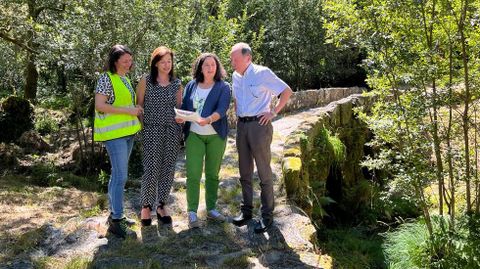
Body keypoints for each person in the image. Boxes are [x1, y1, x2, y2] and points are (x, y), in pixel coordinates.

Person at [229, 42, 293, 233]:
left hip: (260, 126)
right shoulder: (235, 76)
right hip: (242, 126)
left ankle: (266, 216)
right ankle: (246, 211)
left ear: (247, 58)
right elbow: (237, 99)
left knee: (264, 172)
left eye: (235, 59)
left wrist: (273, 112)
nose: (232, 62)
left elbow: (286, 91)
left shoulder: (262, 73)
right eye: (232, 58)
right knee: (244, 172)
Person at [176, 53, 231, 228]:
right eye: (206, 65)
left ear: (217, 67)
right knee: (193, 174)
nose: (210, 68)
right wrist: (181, 117)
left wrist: (208, 120)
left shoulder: (224, 87)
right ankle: (192, 212)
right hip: (194, 135)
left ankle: (212, 209)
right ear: (200, 67)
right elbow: (185, 108)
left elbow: (222, 110)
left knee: (212, 174)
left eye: (213, 65)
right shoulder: (192, 85)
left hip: (216, 136)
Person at [94, 44, 143, 238]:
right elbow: (100, 105)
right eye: (125, 61)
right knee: (121, 176)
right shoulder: (106, 78)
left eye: (130, 61)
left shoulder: (124, 79)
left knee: (117, 176)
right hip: (114, 136)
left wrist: (136, 110)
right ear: (115, 61)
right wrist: (130, 110)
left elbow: (124, 104)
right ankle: (116, 220)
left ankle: (115, 214)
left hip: (127, 133)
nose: (129, 64)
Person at [137, 46, 183, 226]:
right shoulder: (146, 81)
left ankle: (162, 204)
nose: (166, 65)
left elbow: (178, 109)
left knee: (168, 167)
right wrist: (143, 129)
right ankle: (146, 206)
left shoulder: (177, 83)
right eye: (162, 62)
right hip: (151, 129)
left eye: (169, 61)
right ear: (155, 63)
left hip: (172, 130)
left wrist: (181, 119)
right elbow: (139, 107)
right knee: (151, 168)